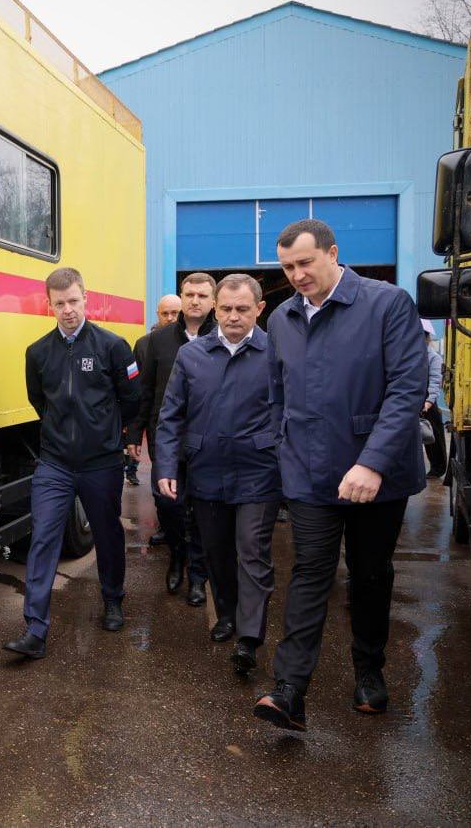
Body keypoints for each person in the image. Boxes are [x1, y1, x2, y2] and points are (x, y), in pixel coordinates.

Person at [254, 219, 427, 732]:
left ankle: (369, 671)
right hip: (308, 473)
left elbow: (407, 389)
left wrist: (372, 463)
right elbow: (277, 395)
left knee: (369, 574)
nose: (296, 275)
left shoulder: (387, 304)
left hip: (376, 476)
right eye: (288, 267)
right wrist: (282, 448)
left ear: (333, 254)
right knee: (310, 573)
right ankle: (289, 690)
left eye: (305, 262)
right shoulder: (282, 318)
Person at [3, 267, 142, 659]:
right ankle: (35, 629)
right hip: (55, 464)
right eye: (59, 303)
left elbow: (132, 398)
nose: (68, 310)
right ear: (48, 304)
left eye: (74, 301)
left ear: (86, 299)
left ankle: (113, 599)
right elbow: (38, 400)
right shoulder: (37, 352)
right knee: (44, 537)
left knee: (107, 533)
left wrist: (113, 435)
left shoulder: (113, 346)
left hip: (101, 463)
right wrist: (60, 430)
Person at [154, 274, 280, 676]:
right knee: (217, 552)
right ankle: (226, 614)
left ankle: (249, 637)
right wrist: (166, 466)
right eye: (225, 308)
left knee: (252, 551)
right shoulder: (191, 356)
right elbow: (171, 415)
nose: (233, 316)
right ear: (215, 308)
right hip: (207, 470)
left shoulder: (276, 353)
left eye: (242, 309)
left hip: (258, 471)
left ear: (259, 309)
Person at [135, 273, 216, 605]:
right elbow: (146, 390)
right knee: (169, 505)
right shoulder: (159, 340)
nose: (195, 300)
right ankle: (176, 555)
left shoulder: (222, 337)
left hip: (209, 441)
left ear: (213, 301)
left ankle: (197, 574)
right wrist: (135, 433)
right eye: (189, 294)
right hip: (167, 439)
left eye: (202, 295)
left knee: (202, 511)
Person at [125, 294, 182, 487]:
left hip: (191, 429)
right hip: (158, 428)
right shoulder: (144, 344)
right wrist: (134, 434)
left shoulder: (197, 342)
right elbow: (139, 391)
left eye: (175, 313)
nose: (170, 318)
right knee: (162, 488)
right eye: (165, 314)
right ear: (157, 315)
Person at [421, 319, 447, 478]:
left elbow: (435, 380)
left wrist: (429, 401)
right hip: (415, 400)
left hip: (427, 403)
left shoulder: (433, 357)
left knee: (434, 436)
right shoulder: (411, 355)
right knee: (421, 436)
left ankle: (438, 468)